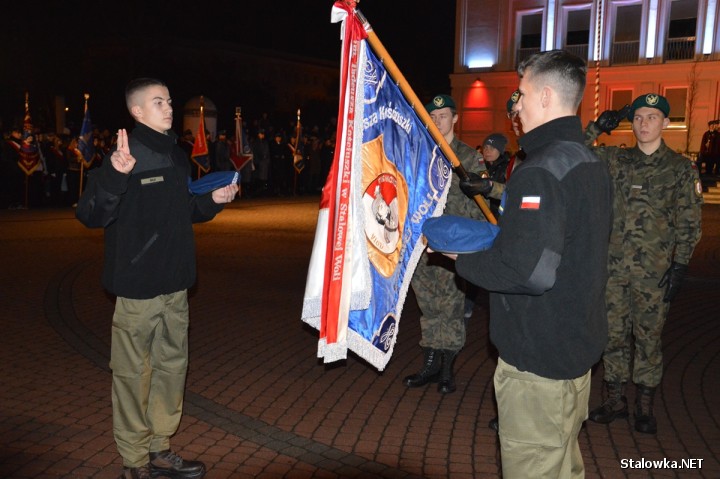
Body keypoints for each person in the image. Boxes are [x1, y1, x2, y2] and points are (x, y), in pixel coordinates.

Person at [453, 50, 612, 477]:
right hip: (573, 352)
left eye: (520, 95)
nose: (515, 106)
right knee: (563, 466)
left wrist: (461, 259)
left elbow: (528, 272)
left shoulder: (539, 170)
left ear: (544, 96)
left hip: (540, 361)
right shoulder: (588, 162)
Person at [75, 77, 238, 479]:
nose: (168, 107)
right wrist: (115, 173)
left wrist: (211, 202)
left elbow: (183, 210)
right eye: (158, 101)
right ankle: (134, 461)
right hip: (138, 289)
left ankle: (160, 449)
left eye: (168, 100)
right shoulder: (125, 155)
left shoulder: (175, 154)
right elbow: (91, 215)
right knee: (133, 374)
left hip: (176, 284)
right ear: (137, 112)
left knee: (171, 369)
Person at [585, 93, 703, 434]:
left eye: (652, 117)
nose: (644, 123)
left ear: (666, 123)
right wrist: (595, 127)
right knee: (613, 336)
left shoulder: (680, 169)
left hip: (655, 274)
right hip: (614, 270)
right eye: (638, 117)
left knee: (649, 337)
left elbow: (689, 223)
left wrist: (680, 265)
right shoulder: (615, 161)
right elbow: (569, 152)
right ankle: (615, 400)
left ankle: (645, 405)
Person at [404, 94, 488, 395]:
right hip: (423, 245)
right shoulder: (419, 154)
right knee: (428, 306)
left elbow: (479, 206)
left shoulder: (468, 158)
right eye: (433, 116)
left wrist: (470, 246)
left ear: (455, 119)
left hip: (453, 248)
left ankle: (446, 369)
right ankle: (430, 364)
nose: (438, 120)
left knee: (451, 307)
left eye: (444, 115)